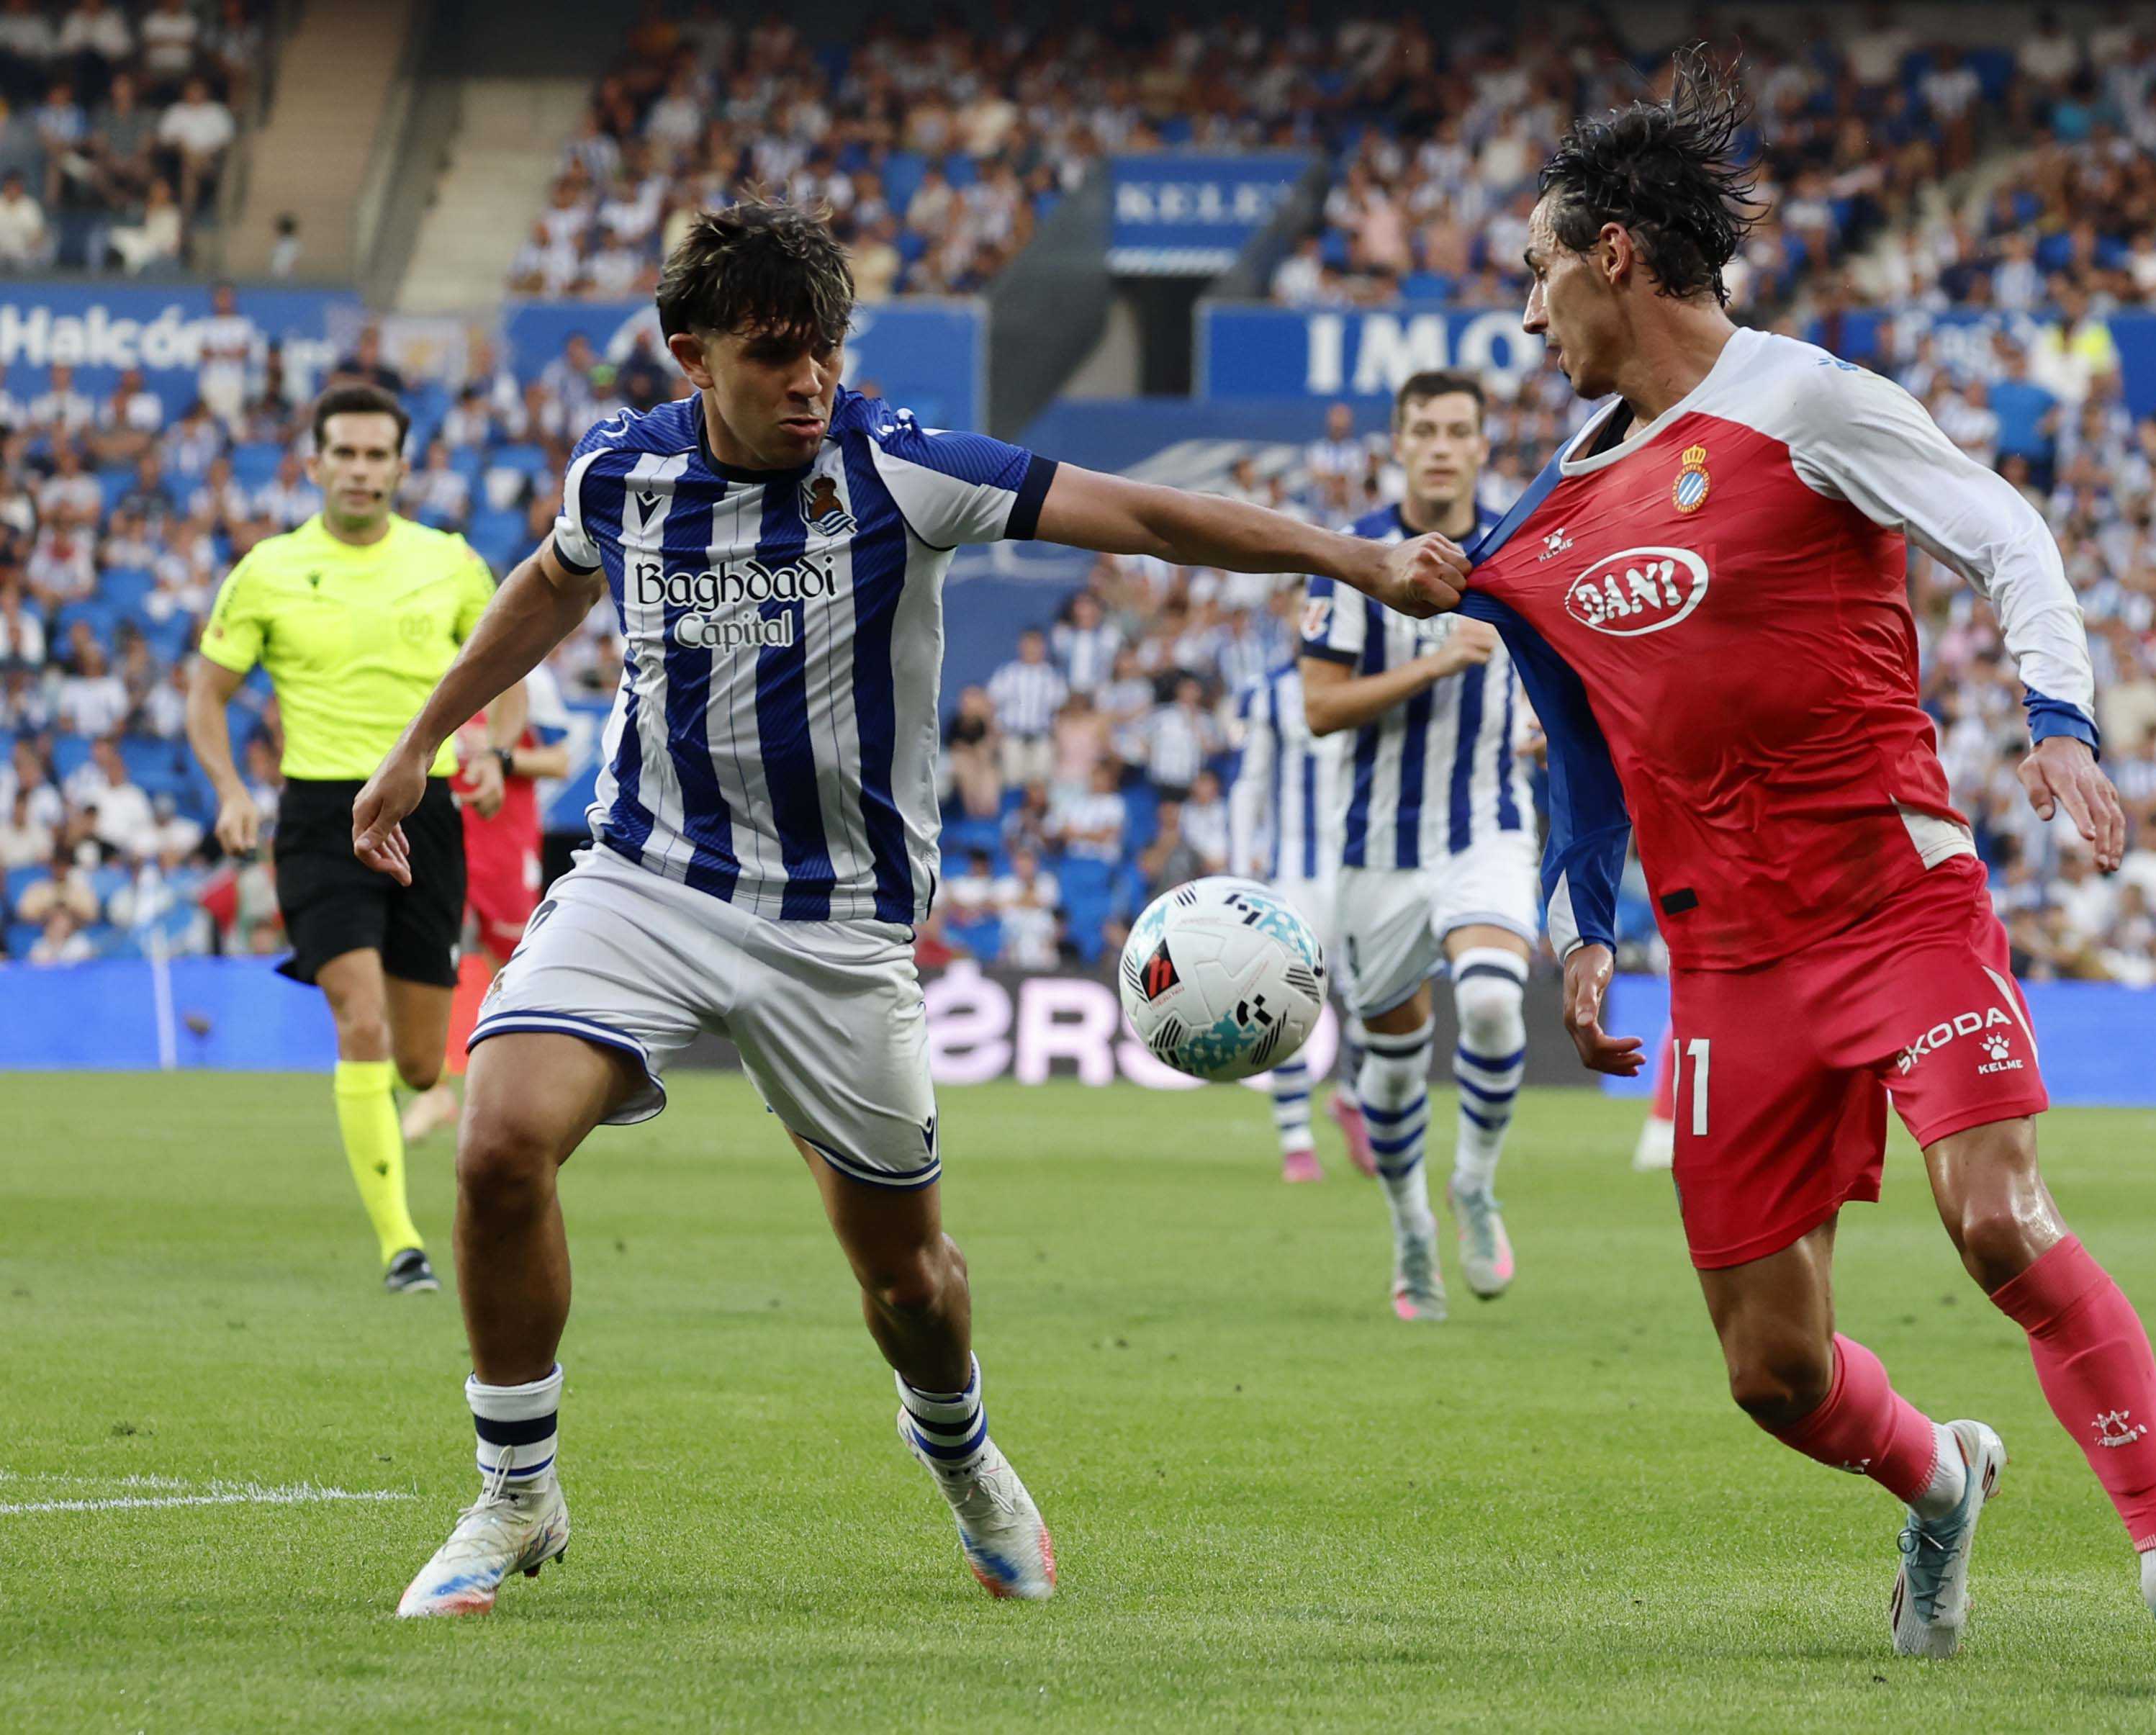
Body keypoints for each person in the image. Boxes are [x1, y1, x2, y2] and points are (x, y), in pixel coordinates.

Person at [351, 197, 1466, 1619]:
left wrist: (1352, 558)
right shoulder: (622, 473)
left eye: (826, 347)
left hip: (838, 929)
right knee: (501, 1142)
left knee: (910, 1284)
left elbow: (1144, 513)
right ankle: (516, 1491)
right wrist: (422, 740)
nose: (809, 379)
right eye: (774, 354)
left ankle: (962, 1450)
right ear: (692, 355)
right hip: (648, 879)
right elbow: (551, 584)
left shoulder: (897, 467)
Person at [1463, 66, 2156, 1694]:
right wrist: (1583, 920)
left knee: (1999, 1223)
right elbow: (1587, 746)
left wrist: (2058, 722)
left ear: (1615, 255)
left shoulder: (1808, 402)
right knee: (1773, 1372)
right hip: (1730, 965)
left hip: (1896, 905)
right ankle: (1939, 1479)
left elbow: (2004, 533)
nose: (1529, 311)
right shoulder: (1552, 519)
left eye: (1539, 269)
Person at [185, 382, 518, 1297]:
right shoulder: (268, 570)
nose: (361, 470)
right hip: (322, 816)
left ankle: (423, 1102)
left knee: (416, 1057)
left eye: (378, 455)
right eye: (346, 453)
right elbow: (207, 693)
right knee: (359, 1020)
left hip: (427, 813)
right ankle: (401, 1246)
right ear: (315, 464)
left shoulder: (450, 563)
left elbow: (510, 664)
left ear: (402, 468)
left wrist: (495, 748)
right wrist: (229, 788)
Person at [1299, 369, 1535, 1322]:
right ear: (1398, 444)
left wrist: (1550, 725)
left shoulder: (1525, 545)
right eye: (1424, 430)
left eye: (1457, 431)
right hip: (1380, 849)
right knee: (1392, 1069)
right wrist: (1438, 662)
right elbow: (1320, 708)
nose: (1441, 447)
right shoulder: (1353, 557)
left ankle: (1474, 1182)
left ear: (1482, 446)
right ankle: (1410, 1226)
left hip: (1488, 826)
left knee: (1492, 1000)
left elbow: (1573, 671)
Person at [399, 664, 576, 1144]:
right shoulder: (431, 659)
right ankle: (435, 1089)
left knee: (515, 967)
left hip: (504, 836)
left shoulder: (532, 677)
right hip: (441, 831)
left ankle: (531, 1090)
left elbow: (560, 761)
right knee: (426, 955)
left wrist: (500, 757)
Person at [1227, 647, 1372, 1184]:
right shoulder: (1271, 694)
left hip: (1363, 869)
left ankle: (1352, 1099)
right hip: (1294, 874)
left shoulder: (1376, 680)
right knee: (1286, 1004)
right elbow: (1249, 784)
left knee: (1377, 999)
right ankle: (1296, 1141)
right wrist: (1240, 872)